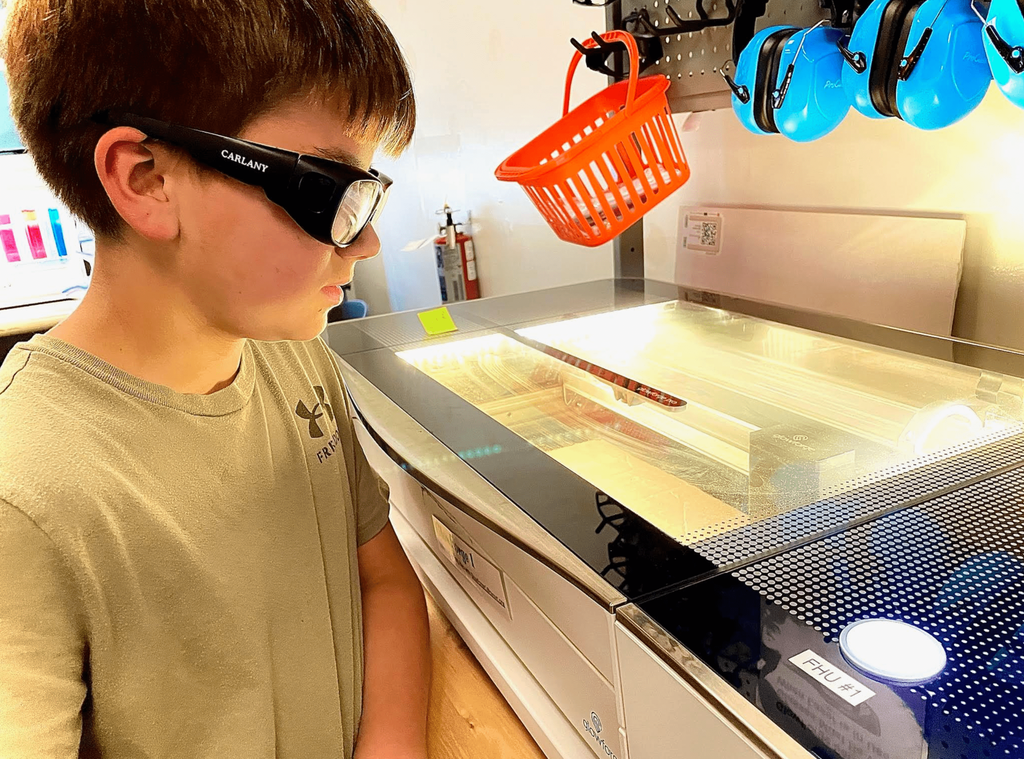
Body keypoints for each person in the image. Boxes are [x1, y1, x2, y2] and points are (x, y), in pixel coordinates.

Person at [0, 1, 430, 757]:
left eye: (369, 191)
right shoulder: (24, 490)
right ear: (145, 179)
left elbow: (384, 578)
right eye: (327, 192)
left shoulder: (295, 356)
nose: (365, 238)